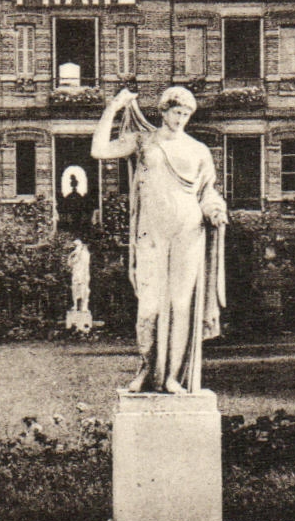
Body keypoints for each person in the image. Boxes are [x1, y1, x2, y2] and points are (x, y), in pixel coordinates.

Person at [91, 86, 228, 394]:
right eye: (176, 112)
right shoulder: (143, 141)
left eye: (186, 114)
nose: (180, 119)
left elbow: (207, 192)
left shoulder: (198, 150)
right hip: (151, 233)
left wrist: (216, 210)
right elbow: (99, 150)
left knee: (181, 305)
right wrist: (114, 107)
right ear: (163, 111)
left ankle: (172, 377)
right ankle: (146, 367)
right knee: (149, 306)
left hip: (188, 231)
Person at [68, 238, 92, 314]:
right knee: (75, 289)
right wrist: (72, 255)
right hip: (76, 273)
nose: (76, 247)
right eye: (75, 246)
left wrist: (78, 254)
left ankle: (84, 306)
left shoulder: (85, 254)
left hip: (83, 274)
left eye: (78, 245)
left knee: (84, 290)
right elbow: (70, 264)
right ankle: (75, 305)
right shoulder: (74, 254)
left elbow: (86, 263)